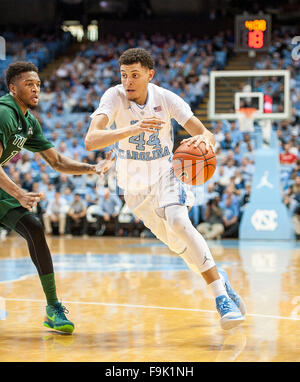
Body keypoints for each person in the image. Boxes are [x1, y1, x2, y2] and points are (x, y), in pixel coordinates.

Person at [85, 48, 246, 329]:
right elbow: (91, 140)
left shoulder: (166, 98)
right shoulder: (114, 97)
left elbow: (205, 133)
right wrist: (132, 129)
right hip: (133, 190)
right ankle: (220, 277)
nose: (128, 82)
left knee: (178, 220)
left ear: (150, 75)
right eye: (124, 75)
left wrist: (205, 143)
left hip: (166, 175)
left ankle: (221, 300)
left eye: (135, 75)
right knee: (182, 249)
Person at [0, 61, 114, 334]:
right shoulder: (4, 114)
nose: (36, 88)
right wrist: (18, 192)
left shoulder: (28, 121)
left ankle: (53, 308)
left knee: (35, 228)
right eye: (29, 84)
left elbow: (57, 161)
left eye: (38, 84)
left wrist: (91, 168)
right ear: (13, 88)